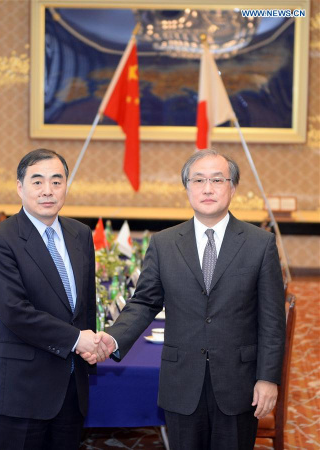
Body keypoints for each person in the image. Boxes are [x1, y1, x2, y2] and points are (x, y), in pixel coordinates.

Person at [90, 150, 286, 450]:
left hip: (239, 383)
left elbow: (272, 321)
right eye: (198, 180)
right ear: (187, 189)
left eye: (217, 180)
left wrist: (268, 379)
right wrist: (114, 339)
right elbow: (144, 303)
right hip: (181, 381)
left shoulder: (259, 244)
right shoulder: (164, 243)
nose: (208, 188)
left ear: (232, 187)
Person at [0, 149, 103, 450]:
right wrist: (77, 340)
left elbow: (85, 305)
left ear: (66, 186)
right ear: (20, 187)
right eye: (37, 182)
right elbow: (14, 311)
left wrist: (90, 349)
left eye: (56, 181)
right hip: (22, 390)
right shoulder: (0, 239)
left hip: (72, 388)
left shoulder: (80, 234)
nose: (48, 190)